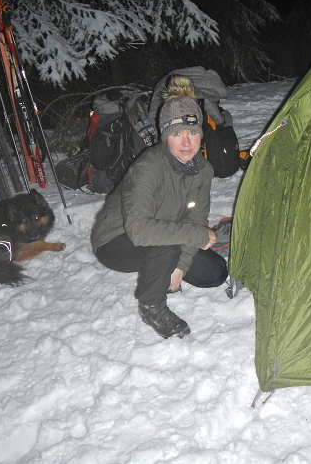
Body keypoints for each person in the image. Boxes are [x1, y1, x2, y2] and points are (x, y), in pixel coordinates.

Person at [91, 94, 228, 339]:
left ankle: (162, 265)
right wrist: (194, 236)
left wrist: (181, 265)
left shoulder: (203, 170)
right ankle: (152, 306)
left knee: (214, 274)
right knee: (168, 244)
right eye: (177, 134)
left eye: (192, 133)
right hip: (116, 240)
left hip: (165, 236)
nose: (186, 142)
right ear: (165, 137)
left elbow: (196, 219)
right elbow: (140, 230)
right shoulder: (148, 168)